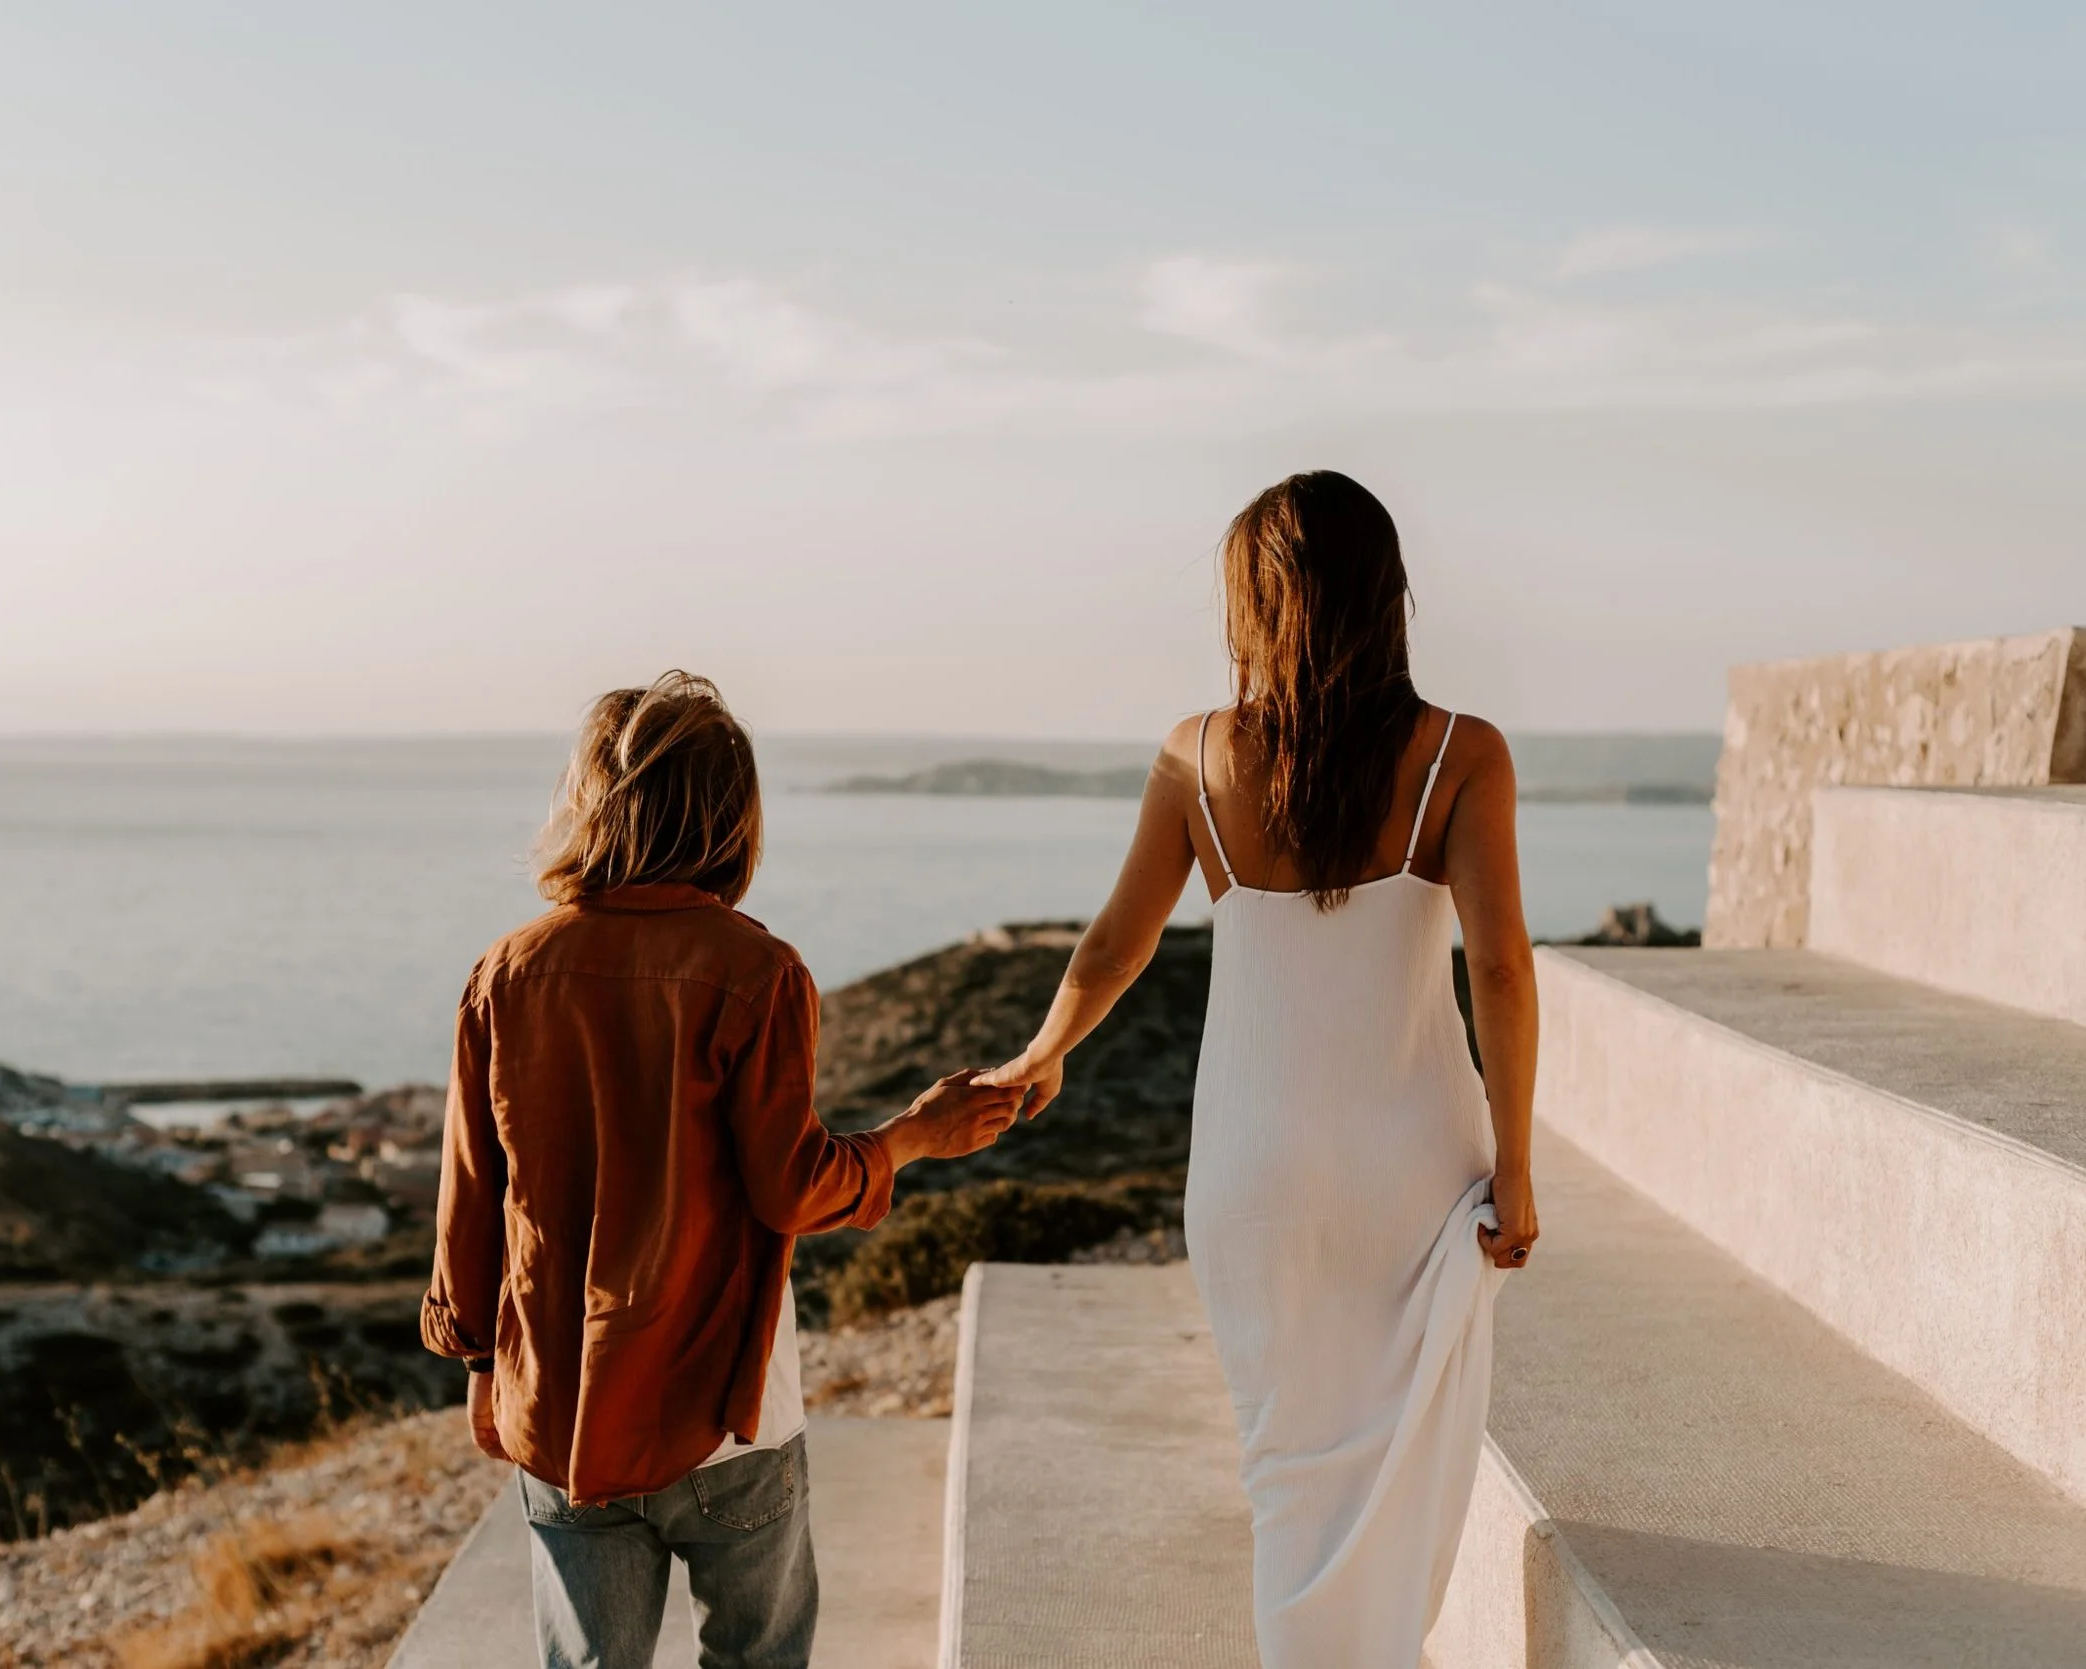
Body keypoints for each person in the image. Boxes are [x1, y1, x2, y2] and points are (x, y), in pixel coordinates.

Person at [978, 471, 1539, 1668]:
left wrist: (1042, 1052)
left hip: (1251, 1172)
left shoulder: (1195, 757)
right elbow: (1497, 971)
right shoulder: (1462, 755)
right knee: (1403, 1461)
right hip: (1413, 1166)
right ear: (1386, 593)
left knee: (1287, 1472)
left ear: (1256, 604)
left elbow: (1114, 943)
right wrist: (1520, 1169)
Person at [423, 671, 1021, 1669]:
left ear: (588, 804)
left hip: (561, 1403)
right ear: (730, 815)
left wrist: (484, 1366)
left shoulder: (505, 973)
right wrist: (915, 1134)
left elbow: (470, 1205)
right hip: (727, 1414)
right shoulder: (756, 972)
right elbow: (791, 1186)